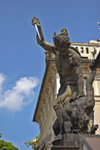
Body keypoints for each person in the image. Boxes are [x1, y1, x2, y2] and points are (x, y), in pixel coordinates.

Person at [32, 17, 84, 136]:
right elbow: (41, 42)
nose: (62, 50)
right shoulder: (56, 51)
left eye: (64, 48)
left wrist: (80, 94)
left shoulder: (74, 56)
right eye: (60, 48)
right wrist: (38, 28)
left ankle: (66, 130)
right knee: (59, 107)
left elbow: (80, 76)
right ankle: (63, 129)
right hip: (63, 86)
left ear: (68, 46)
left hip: (73, 86)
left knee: (57, 105)